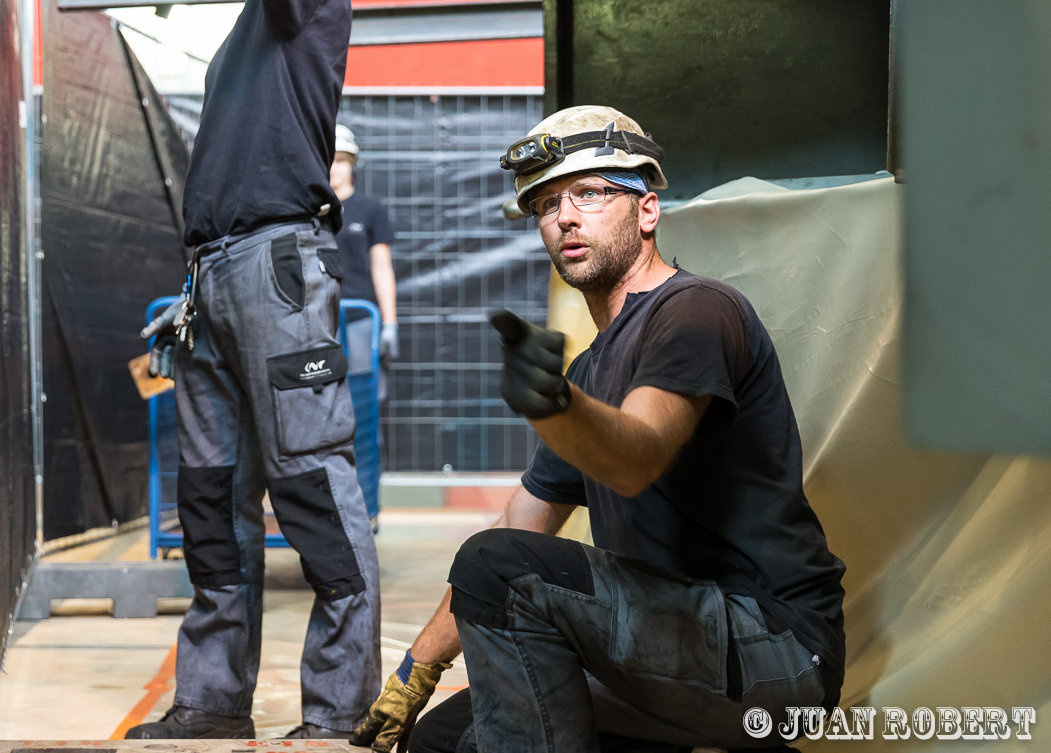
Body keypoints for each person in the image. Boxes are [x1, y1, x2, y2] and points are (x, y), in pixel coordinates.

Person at [351, 105, 846, 753]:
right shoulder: (588, 371)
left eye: (591, 193)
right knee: (447, 739)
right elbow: (517, 526)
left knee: (498, 570)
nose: (565, 217)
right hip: (670, 641)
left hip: (773, 651)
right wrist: (415, 673)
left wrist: (556, 407)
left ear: (647, 210)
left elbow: (636, 456)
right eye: (548, 203)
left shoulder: (696, 311)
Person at [96, 0, 380, 740]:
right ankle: (215, 702)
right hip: (212, 284)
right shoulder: (243, 35)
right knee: (212, 501)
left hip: (275, 271)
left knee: (308, 483)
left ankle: (337, 714)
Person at [332, 124, 398, 385]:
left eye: (340, 160)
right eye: (328, 159)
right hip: (316, 319)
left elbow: (382, 268)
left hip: (360, 317)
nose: (333, 167)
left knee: (362, 393)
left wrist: (390, 324)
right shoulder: (309, 212)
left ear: (352, 164)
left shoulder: (370, 210)